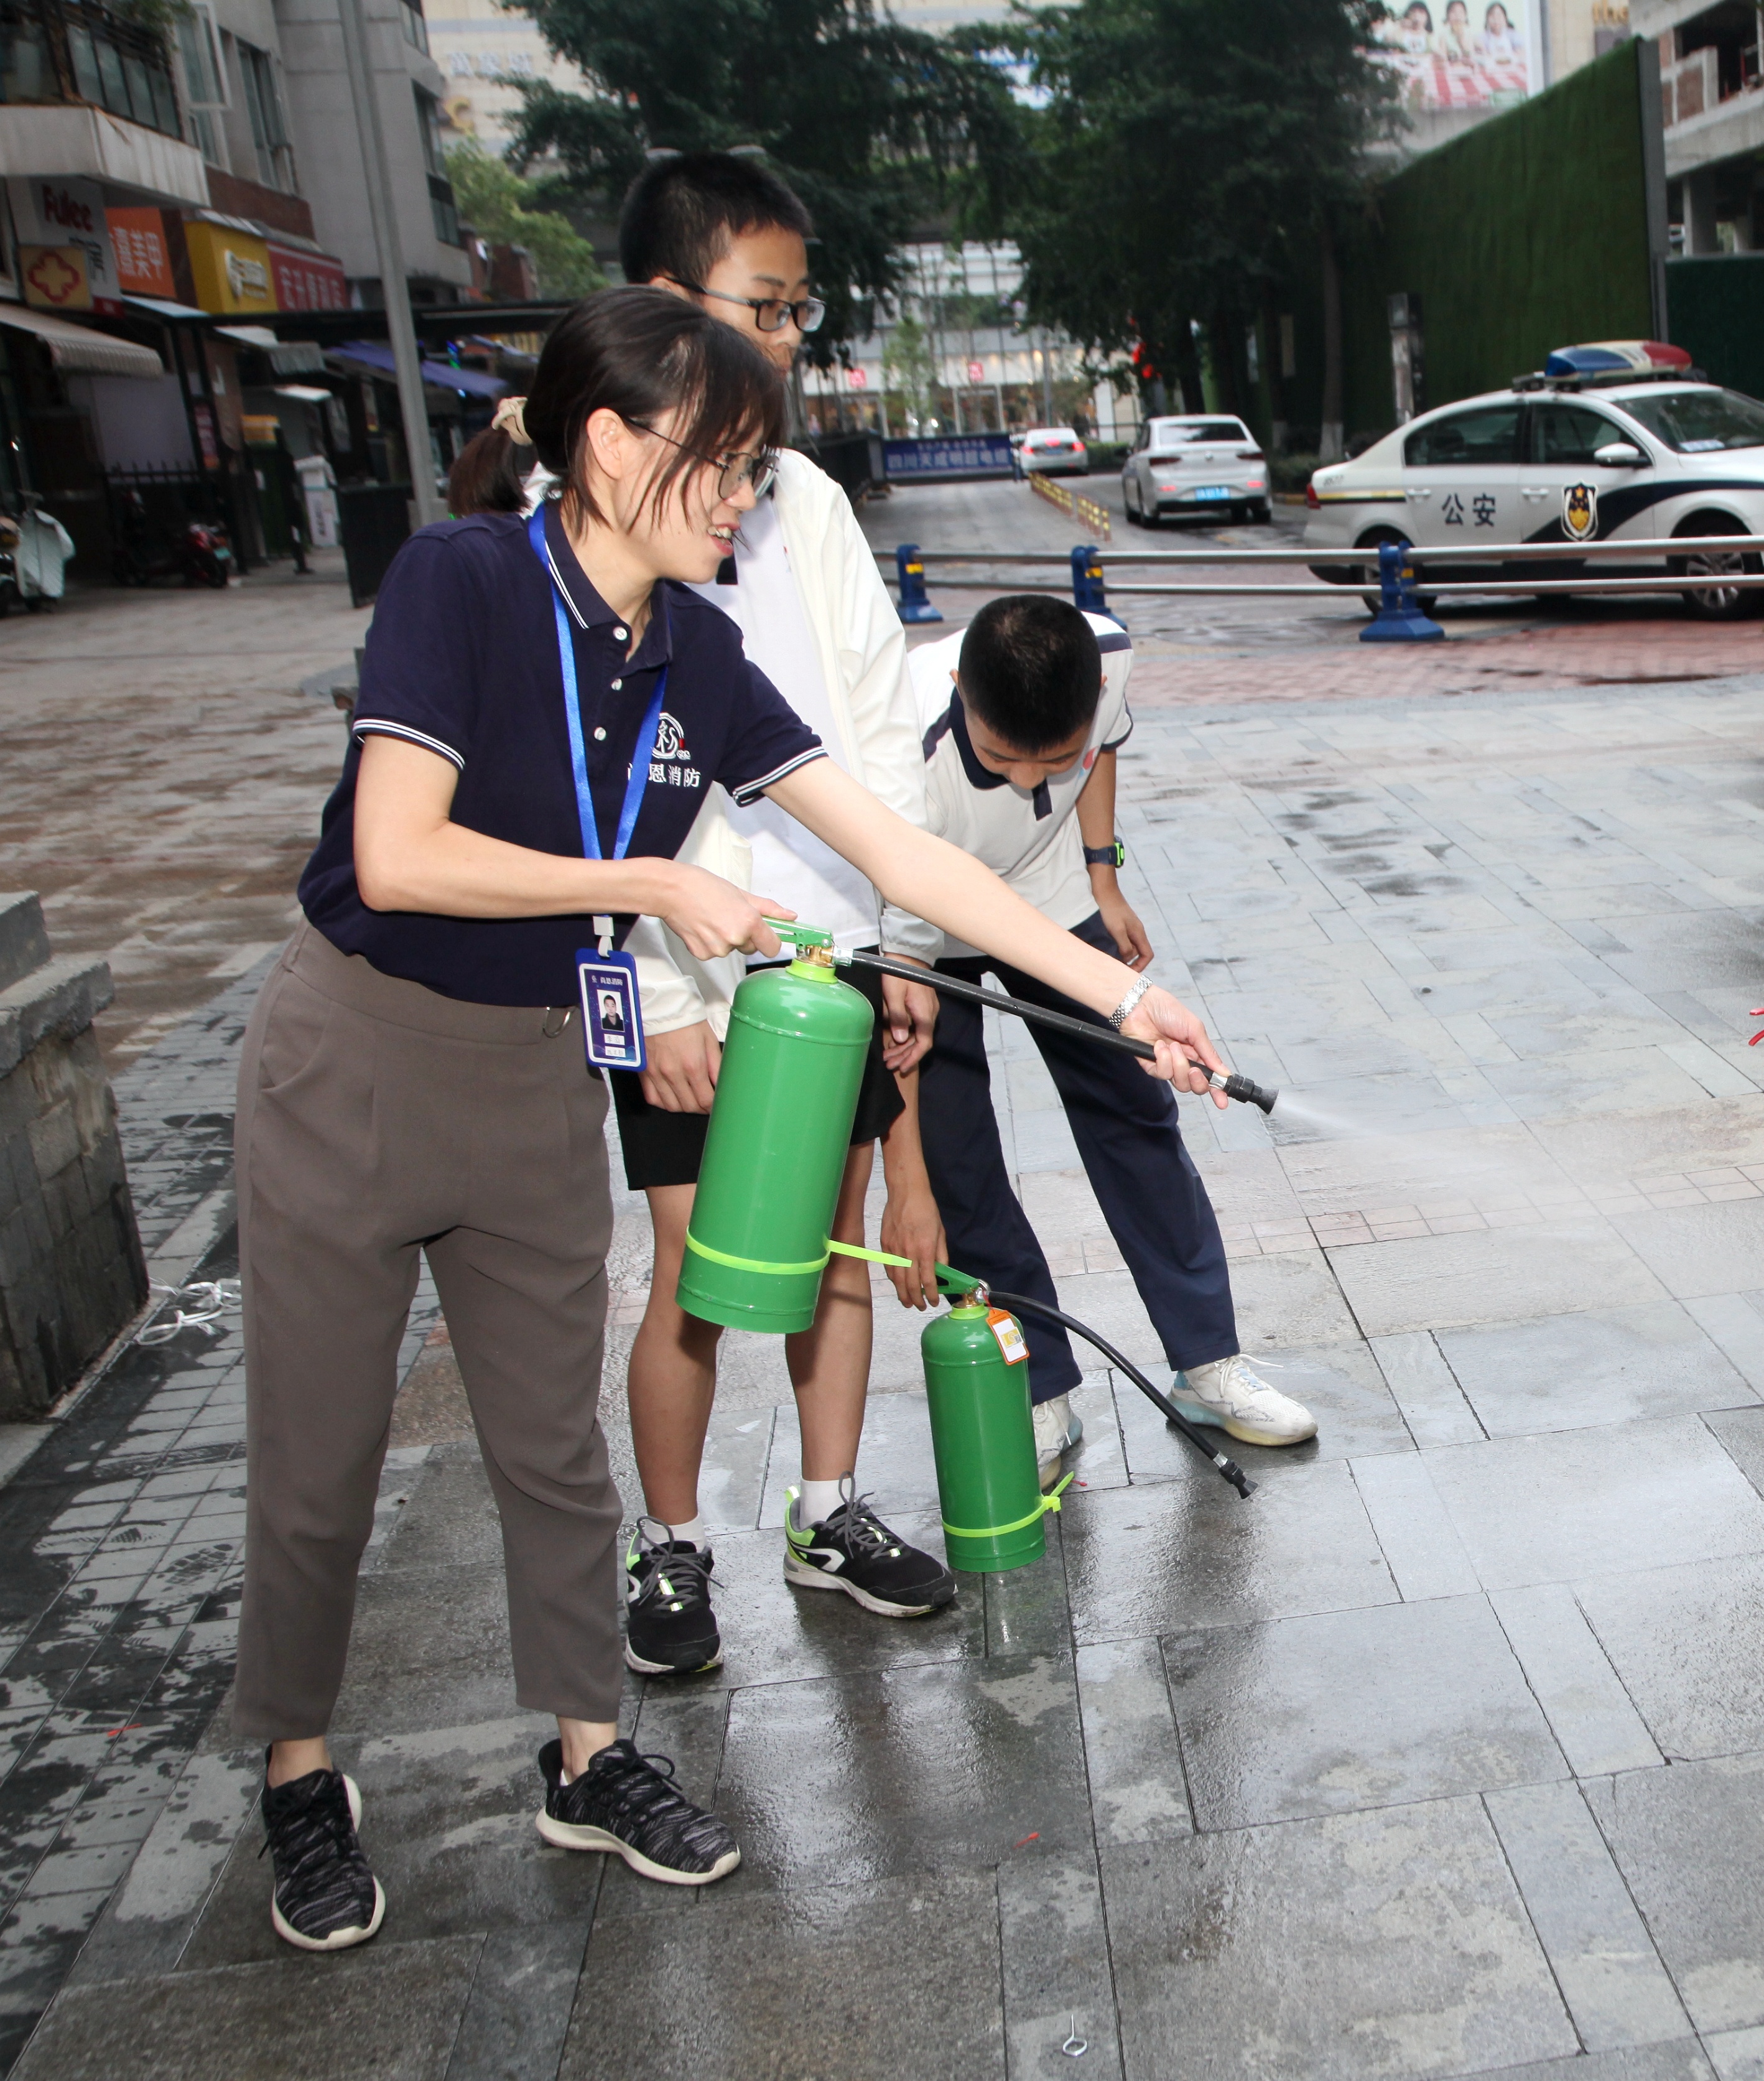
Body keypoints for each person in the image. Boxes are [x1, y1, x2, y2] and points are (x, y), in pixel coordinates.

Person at [239, 288, 1230, 1953]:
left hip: (532, 1066)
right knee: (320, 1460)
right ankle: (294, 1772)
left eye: (757, 467)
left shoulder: (694, 647)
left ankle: (586, 1751)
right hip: (354, 1052)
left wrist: (1124, 995)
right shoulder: (459, 582)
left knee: (554, 1456)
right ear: (612, 442)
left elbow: (903, 860)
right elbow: (398, 852)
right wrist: (653, 882)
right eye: (722, 462)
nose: (742, 499)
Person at [610, 152, 955, 1677]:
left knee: (829, 1255)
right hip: (691, 965)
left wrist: (897, 941)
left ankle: (826, 1508)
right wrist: (668, 998)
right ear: (672, 303)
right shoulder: (620, 524)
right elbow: (614, 800)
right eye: (769, 303)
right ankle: (671, 1543)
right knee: (693, 1272)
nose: (793, 334)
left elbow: (879, 729)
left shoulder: (802, 498)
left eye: (800, 307)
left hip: (828, 948)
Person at [896, 595, 1319, 1487]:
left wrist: (1101, 872)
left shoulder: (1108, 655)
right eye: (1002, 758)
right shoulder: (898, 749)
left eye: (1050, 759)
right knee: (957, 1152)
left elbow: (1105, 748)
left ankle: (1207, 1361)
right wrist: (905, 1183)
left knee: (1135, 1113)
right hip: (919, 925)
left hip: (1052, 902)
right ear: (958, 698)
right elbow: (893, 978)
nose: (1024, 783)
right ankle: (1037, 1385)